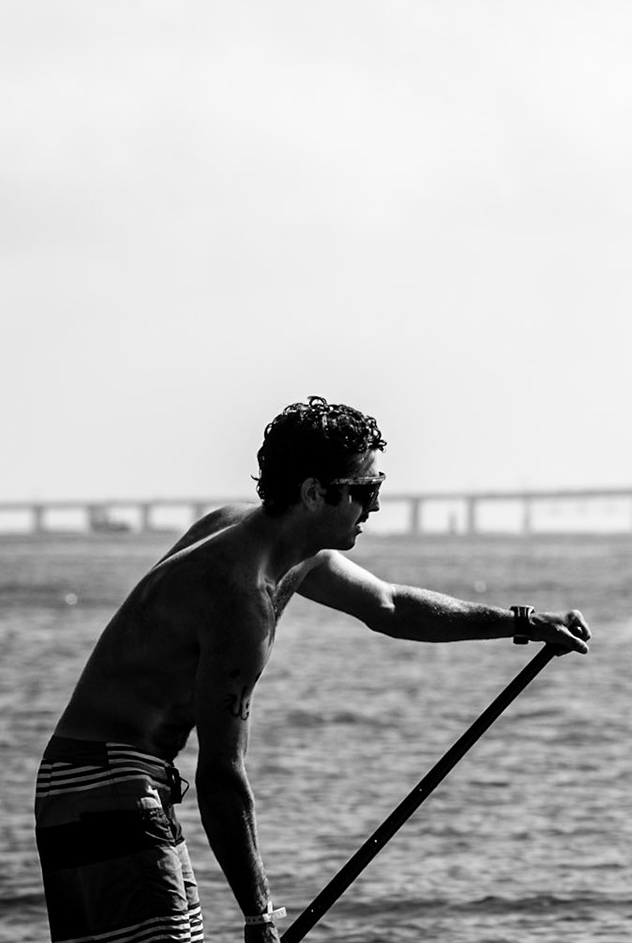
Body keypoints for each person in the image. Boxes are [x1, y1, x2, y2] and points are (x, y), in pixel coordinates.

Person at [34, 396, 592, 943]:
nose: (372, 507)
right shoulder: (241, 600)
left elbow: (390, 606)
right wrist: (259, 916)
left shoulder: (262, 538)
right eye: (363, 491)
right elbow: (222, 772)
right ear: (311, 493)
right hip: (109, 787)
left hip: (91, 780)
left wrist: (524, 622)